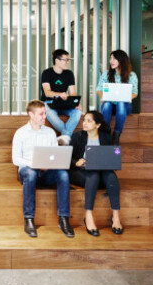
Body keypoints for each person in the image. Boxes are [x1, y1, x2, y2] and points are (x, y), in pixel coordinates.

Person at [12, 100, 74, 238]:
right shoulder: (20, 133)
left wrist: (51, 163)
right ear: (31, 114)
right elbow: (16, 159)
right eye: (41, 114)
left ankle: (63, 219)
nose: (44, 116)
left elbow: (55, 155)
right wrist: (34, 163)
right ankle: (29, 219)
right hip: (27, 171)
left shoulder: (50, 133)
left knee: (63, 175)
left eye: (45, 113)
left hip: (46, 171)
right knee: (31, 174)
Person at [69, 111, 124, 236]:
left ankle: (115, 217)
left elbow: (111, 157)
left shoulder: (105, 137)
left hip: (101, 170)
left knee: (112, 177)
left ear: (97, 125)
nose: (85, 123)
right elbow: (67, 158)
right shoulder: (77, 137)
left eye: (89, 121)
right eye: (84, 120)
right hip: (80, 172)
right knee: (93, 175)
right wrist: (76, 162)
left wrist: (111, 162)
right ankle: (88, 215)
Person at [40, 49, 82, 146]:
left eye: (68, 60)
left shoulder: (69, 74)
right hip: (49, 102)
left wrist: (76, 103)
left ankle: (63, 139)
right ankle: (67, 139)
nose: (67, 62)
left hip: (64, 103)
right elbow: (47, 93)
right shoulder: (47, 73)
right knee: (49, 112)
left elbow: (73, 92)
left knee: (78, 111)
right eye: (65, 60)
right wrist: (59, 94)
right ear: (57, 60)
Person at [96, 50, 138, 144]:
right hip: (109, 104)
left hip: (123, 106)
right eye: (110, 58)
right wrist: (102, 96)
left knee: (121, 103)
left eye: (114, 58)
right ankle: (105, 133)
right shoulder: (106, 74)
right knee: (106, 105)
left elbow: (135, 92)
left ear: (121, 60)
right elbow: (99, 89)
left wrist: (128, 97)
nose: (111, 61)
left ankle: (116, 134)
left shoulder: (132, 75)